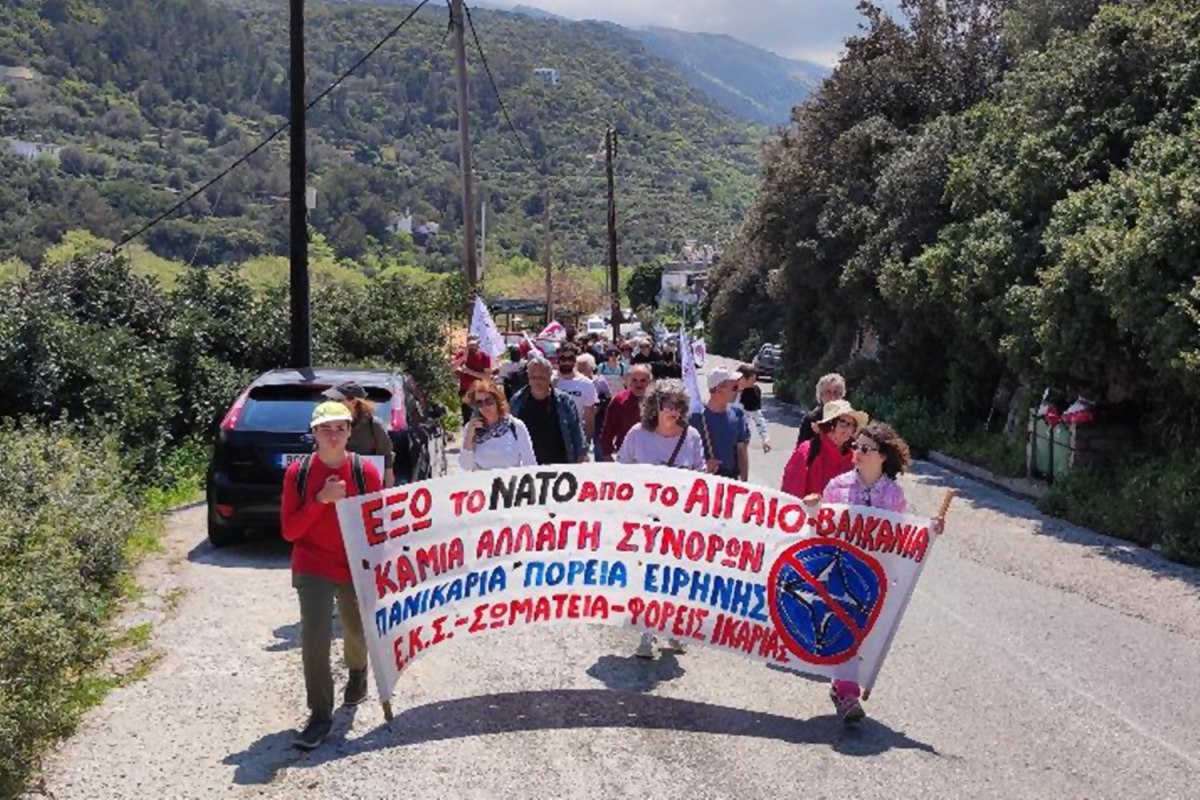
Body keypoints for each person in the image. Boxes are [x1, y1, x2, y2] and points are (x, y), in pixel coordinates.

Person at [818, 421, 943, 725]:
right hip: (841, 572)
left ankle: (841, 685)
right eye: (856, 447)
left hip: (875, 576)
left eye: (866, 449)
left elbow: (901, 539)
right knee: (845, 629)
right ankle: (848, 693)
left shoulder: (893, 495)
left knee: (864, 633)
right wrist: (814, 511)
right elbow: (820, 529)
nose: (857, 453)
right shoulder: (837, 487)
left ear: (883, 456)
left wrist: (929, 531)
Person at [281, 401, 383, 751]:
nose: (333, 434)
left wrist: (379, 569)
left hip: (354, 565)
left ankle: (358, 672)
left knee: (356, 631)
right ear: (314, 434)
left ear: (350, 432)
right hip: (312, 565)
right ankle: (320, 715)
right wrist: (320, 501)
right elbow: (290, 531)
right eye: (326, 429)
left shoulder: (365, 472)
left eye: (340, 428)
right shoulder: (299, 474)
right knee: (315, 637)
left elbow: (377, 525)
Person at [616, 379, 706, 658]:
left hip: (678, 522)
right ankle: (647, 633)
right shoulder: (636, 434)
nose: (673, 411)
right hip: (644, 521)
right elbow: (621, 471)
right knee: (647, 578)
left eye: (678, 405)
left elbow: (699, 475)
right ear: (655, 406)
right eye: (668, 404)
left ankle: (674, 629)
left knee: (675, 578)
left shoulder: (691, 437)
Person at [781, 399, 867, 501]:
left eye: (852, 424)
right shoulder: (807, 451)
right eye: (843, 423)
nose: (848, 430)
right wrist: (806, 503)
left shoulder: (854, 458)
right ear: (830, 425)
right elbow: (789, 497)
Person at [510, 356, 588, 464]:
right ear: (528, 377)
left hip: (561, 465)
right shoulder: (517, 402)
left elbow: (576, 431)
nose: (537, 381)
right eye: (534, 377)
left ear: (550, 376)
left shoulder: (565, 402)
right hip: (528, 467)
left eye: (542, 377)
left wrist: (581, 456)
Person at [324, 381, 395, 488]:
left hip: (366, 491)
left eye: (338, 400)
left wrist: (388, 496)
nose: (332, 404)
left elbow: (387, 462)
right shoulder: (325, 424)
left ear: (353, 402)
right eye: (331, 400)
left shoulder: (374, 426)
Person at [459, 378, 537, 471]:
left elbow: (530, 464)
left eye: (488, 401)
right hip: (483, 484)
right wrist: (469, 438)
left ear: (498, 401)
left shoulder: (515, 426)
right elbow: (465, 467)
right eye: (479, 403)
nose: (485, 407)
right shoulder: (471, 428)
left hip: (511, 483)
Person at [690, 366, 750, 481]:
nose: (738, 391)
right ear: (719, 389)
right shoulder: (697, 417)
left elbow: (741, 450)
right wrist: (704, 467)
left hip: (730, 478)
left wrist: (744, 481)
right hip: (704, 479)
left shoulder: (738, 414)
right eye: (734, 387)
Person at [600, 364, 653, 460]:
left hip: (652, 454)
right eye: (635, 380)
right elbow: (608, 429)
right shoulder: (620, 400)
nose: (638, 384)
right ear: (629, 381)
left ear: (650, 382)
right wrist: (607, 453)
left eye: (643, 381)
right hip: (626, 455)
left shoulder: (658, 402)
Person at [552, 343, 598, 447]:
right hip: (552, 435)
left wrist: (586, 442)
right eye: (563, 358)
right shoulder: (550, 381)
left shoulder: (586, 384)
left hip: (576, 436)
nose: (566, 362)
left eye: (570, 358)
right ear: (558, 359)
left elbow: (589, 416)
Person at [797, 373, 848, 448]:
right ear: (820, 395)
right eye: (828, 392)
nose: (833, 397)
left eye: (836, 393)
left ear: (842, 395)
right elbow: (801, 450)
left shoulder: (848, 419)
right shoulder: (811, 419)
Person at [454, 334, 494, 426]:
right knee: (467, 419)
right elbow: (452, 368)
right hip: (465, 391)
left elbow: (487, 376)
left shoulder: (484, 357)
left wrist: (468, 371)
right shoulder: (461, 355)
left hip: (480, 392)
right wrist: (463, 357)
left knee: (481, 417)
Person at [736, 365, 771, 454]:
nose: (754, 383)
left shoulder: (753, 393)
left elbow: (758, 418)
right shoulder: (727, 390)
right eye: (752, 380)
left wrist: (765, 438)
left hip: (742, 437)